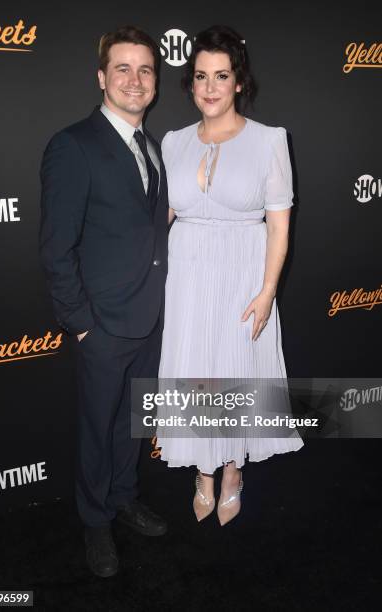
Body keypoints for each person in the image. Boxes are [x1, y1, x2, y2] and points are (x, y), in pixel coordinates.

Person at [157, 25, 304, 526]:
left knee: (238, 370)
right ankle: (203, 470)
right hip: (188, 278)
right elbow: (162, 218)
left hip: (243, 274)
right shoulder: (173, 143)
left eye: (221, 75)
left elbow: (279, 228)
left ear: (238, 81)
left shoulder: (269, 141)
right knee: (197, 372)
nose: (211, 87)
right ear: (190, 83)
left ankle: (233, 469)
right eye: (201, 76)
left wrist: (267, 292)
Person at [39, 26, 168, 577]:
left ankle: (123, 498)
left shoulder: (155, 147)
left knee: (132, 424)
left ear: (155, 83)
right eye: (123, 68)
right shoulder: (73, 145)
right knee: (97, 428)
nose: (134, 80)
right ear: (102, 77)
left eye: (144, 70)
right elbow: (55, 248)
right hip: (104, 325)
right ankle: (95, 523)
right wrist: (82, 324)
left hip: (151, 318)